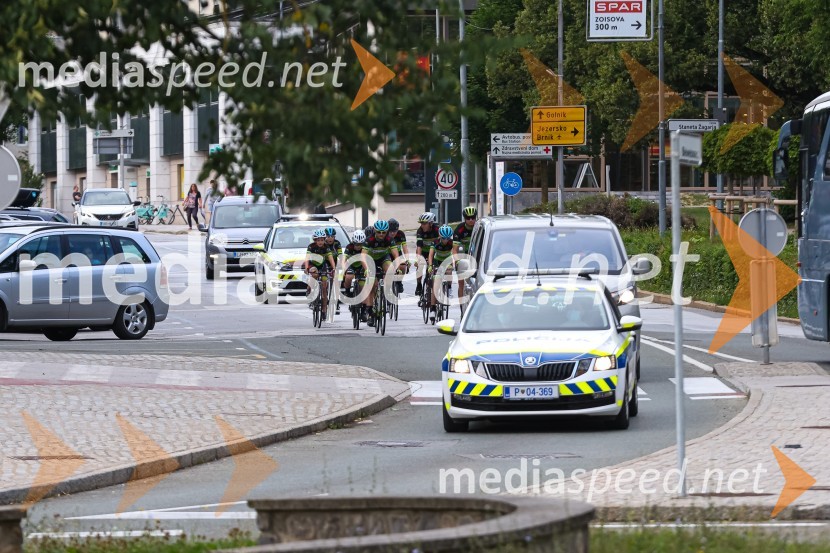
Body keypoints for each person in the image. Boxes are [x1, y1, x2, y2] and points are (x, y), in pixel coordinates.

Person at [362, 220, 399, 327]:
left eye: (384, 232)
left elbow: (396, 255)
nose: (381, 235)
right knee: (372, 285)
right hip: (370, 260)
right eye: (379, 232)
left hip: (383, 258)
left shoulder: (389, 239)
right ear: (375, 231)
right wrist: (366, 269)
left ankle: (387, 292)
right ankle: (369, 311)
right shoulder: (369, 240)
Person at [303, 228, 337, 320]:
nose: (320, 242)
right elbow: (307, 258)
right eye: (318, 240)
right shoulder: (311, 247)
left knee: (324, 289)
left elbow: (330, 259)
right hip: (313, 264)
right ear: (315, 240)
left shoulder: (326, 247)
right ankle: (309, 288)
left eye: (322, 240)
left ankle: (324, 311)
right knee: (314, 273)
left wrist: (334, 269)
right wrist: (306, 268)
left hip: (322, 266)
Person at [427, 224, 455, 323]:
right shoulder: (435, 242)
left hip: (447, 261)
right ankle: (433, 309)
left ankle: (449, 288)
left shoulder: (451, 243)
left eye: (448, 238)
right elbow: (430, 255)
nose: (446, 240)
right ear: (440, 236)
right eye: (444, 238)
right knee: (436, 283)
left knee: (449, 270)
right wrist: (430, 266)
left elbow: (454, 255)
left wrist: (454, 264)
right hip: (437, 261)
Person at [452, 206, 478, 314]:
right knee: (461, 283)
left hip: (476, 256)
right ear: (465, 218)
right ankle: (462, 307)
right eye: (468, 218)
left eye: (473, 217)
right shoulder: (459, 229)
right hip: (463, 256)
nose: (471, 220)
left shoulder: (478, 226)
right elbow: (454, 250)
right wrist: (457, 261)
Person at [342, 230, 370, 322]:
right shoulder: (349, 247)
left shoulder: (366, 247)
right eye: (356, 244)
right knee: (349, 276)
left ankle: (363, 311)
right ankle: (347, 291)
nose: (358, 247)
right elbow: (344, 259)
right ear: (353, 242)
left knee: (363, 288)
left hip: (362, 267)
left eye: (360, 244)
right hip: (351, 266)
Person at [414, 212, 439, 299]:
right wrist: (418, 259)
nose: (422, 225)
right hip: (423, 251)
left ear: (431, 223)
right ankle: (419, 284)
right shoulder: (420, 231)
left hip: (434, 252)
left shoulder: (437, 230)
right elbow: (419, 246)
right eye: (421, 223)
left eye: (424, 223)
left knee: (433, 268)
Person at [388, 218, 409, 294]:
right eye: (390, 231)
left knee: (403, 265)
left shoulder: (401, 234)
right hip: (388, 254)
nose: (393, 233)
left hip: (398, 253)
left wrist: (407, 259)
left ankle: (399, 282)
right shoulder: (385, 235)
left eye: (395, 231)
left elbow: (405, 248)